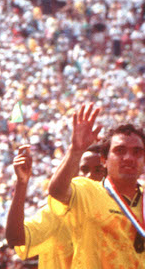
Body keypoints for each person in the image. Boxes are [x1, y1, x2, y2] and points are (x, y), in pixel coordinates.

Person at [48, 103, 145, 267]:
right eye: (120, 150)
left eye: (137, 152)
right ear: (104, 160)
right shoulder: (88, 190)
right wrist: (76, 150)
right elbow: (57, 191)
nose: (129, 157)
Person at [5, 142, 106, 268]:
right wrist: (21, 183)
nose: (89, 176)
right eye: (84, 170)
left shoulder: (116, 211)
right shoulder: (57, 212)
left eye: (98, 170)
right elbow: (15, 238)